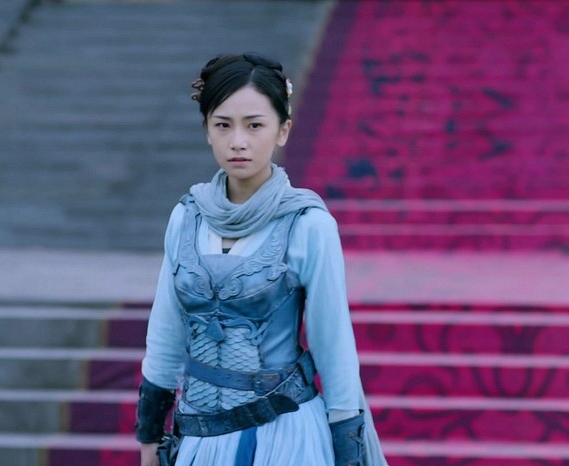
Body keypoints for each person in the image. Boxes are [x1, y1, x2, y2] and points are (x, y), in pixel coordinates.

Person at [135, 52, 388, 466]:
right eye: (223, 125)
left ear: (282, 131)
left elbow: (333, 347)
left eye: (254, 125)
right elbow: (165, 334)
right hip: (199, 436)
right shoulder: (187, 217)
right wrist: (149, 439)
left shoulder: (307, 224)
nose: (238, 141)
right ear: (207, 130)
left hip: (284, 437)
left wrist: (349, 454)